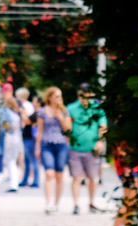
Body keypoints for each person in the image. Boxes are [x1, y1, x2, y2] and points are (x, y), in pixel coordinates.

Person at [65, 81, 107, 216]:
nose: (87, 99)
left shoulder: (97, 108)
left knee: (92, 178)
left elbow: (103, 125)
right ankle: (76, 204)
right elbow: (67, 127)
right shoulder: (71, 108)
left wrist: (100, 141)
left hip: (92, 148)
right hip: (75, 148)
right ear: (79, 94)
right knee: (76, 177)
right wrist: (68, 140)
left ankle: (91, 202)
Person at [36, 87, 72, 214]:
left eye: (60, 96)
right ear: (50, 97)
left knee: (59, 176)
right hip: (47, 144)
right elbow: (39, 131)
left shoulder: (64, 111)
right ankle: (48, 203)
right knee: (49, 174)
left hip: (61, 145)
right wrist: (37, 148)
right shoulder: (42, 111)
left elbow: (68, 130)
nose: (59, 99)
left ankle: (56, 204)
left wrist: (60, 117)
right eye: (56, 96)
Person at [17, 87, 41, 189]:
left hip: (31, 137)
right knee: (27, 160)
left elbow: (27, 121)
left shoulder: (35, 112)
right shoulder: (33, 110)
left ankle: (36, 180)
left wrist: (22, 111)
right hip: (26, 136)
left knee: (33, 160)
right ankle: (25, 179)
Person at [1, 91, 25, 191]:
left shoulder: (6, 112)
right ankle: (14, 182)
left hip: (10, 137)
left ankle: (13, 184)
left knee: (10, 161)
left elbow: (5, 125)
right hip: (18, 138)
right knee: (13, 161)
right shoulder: (16, 114)